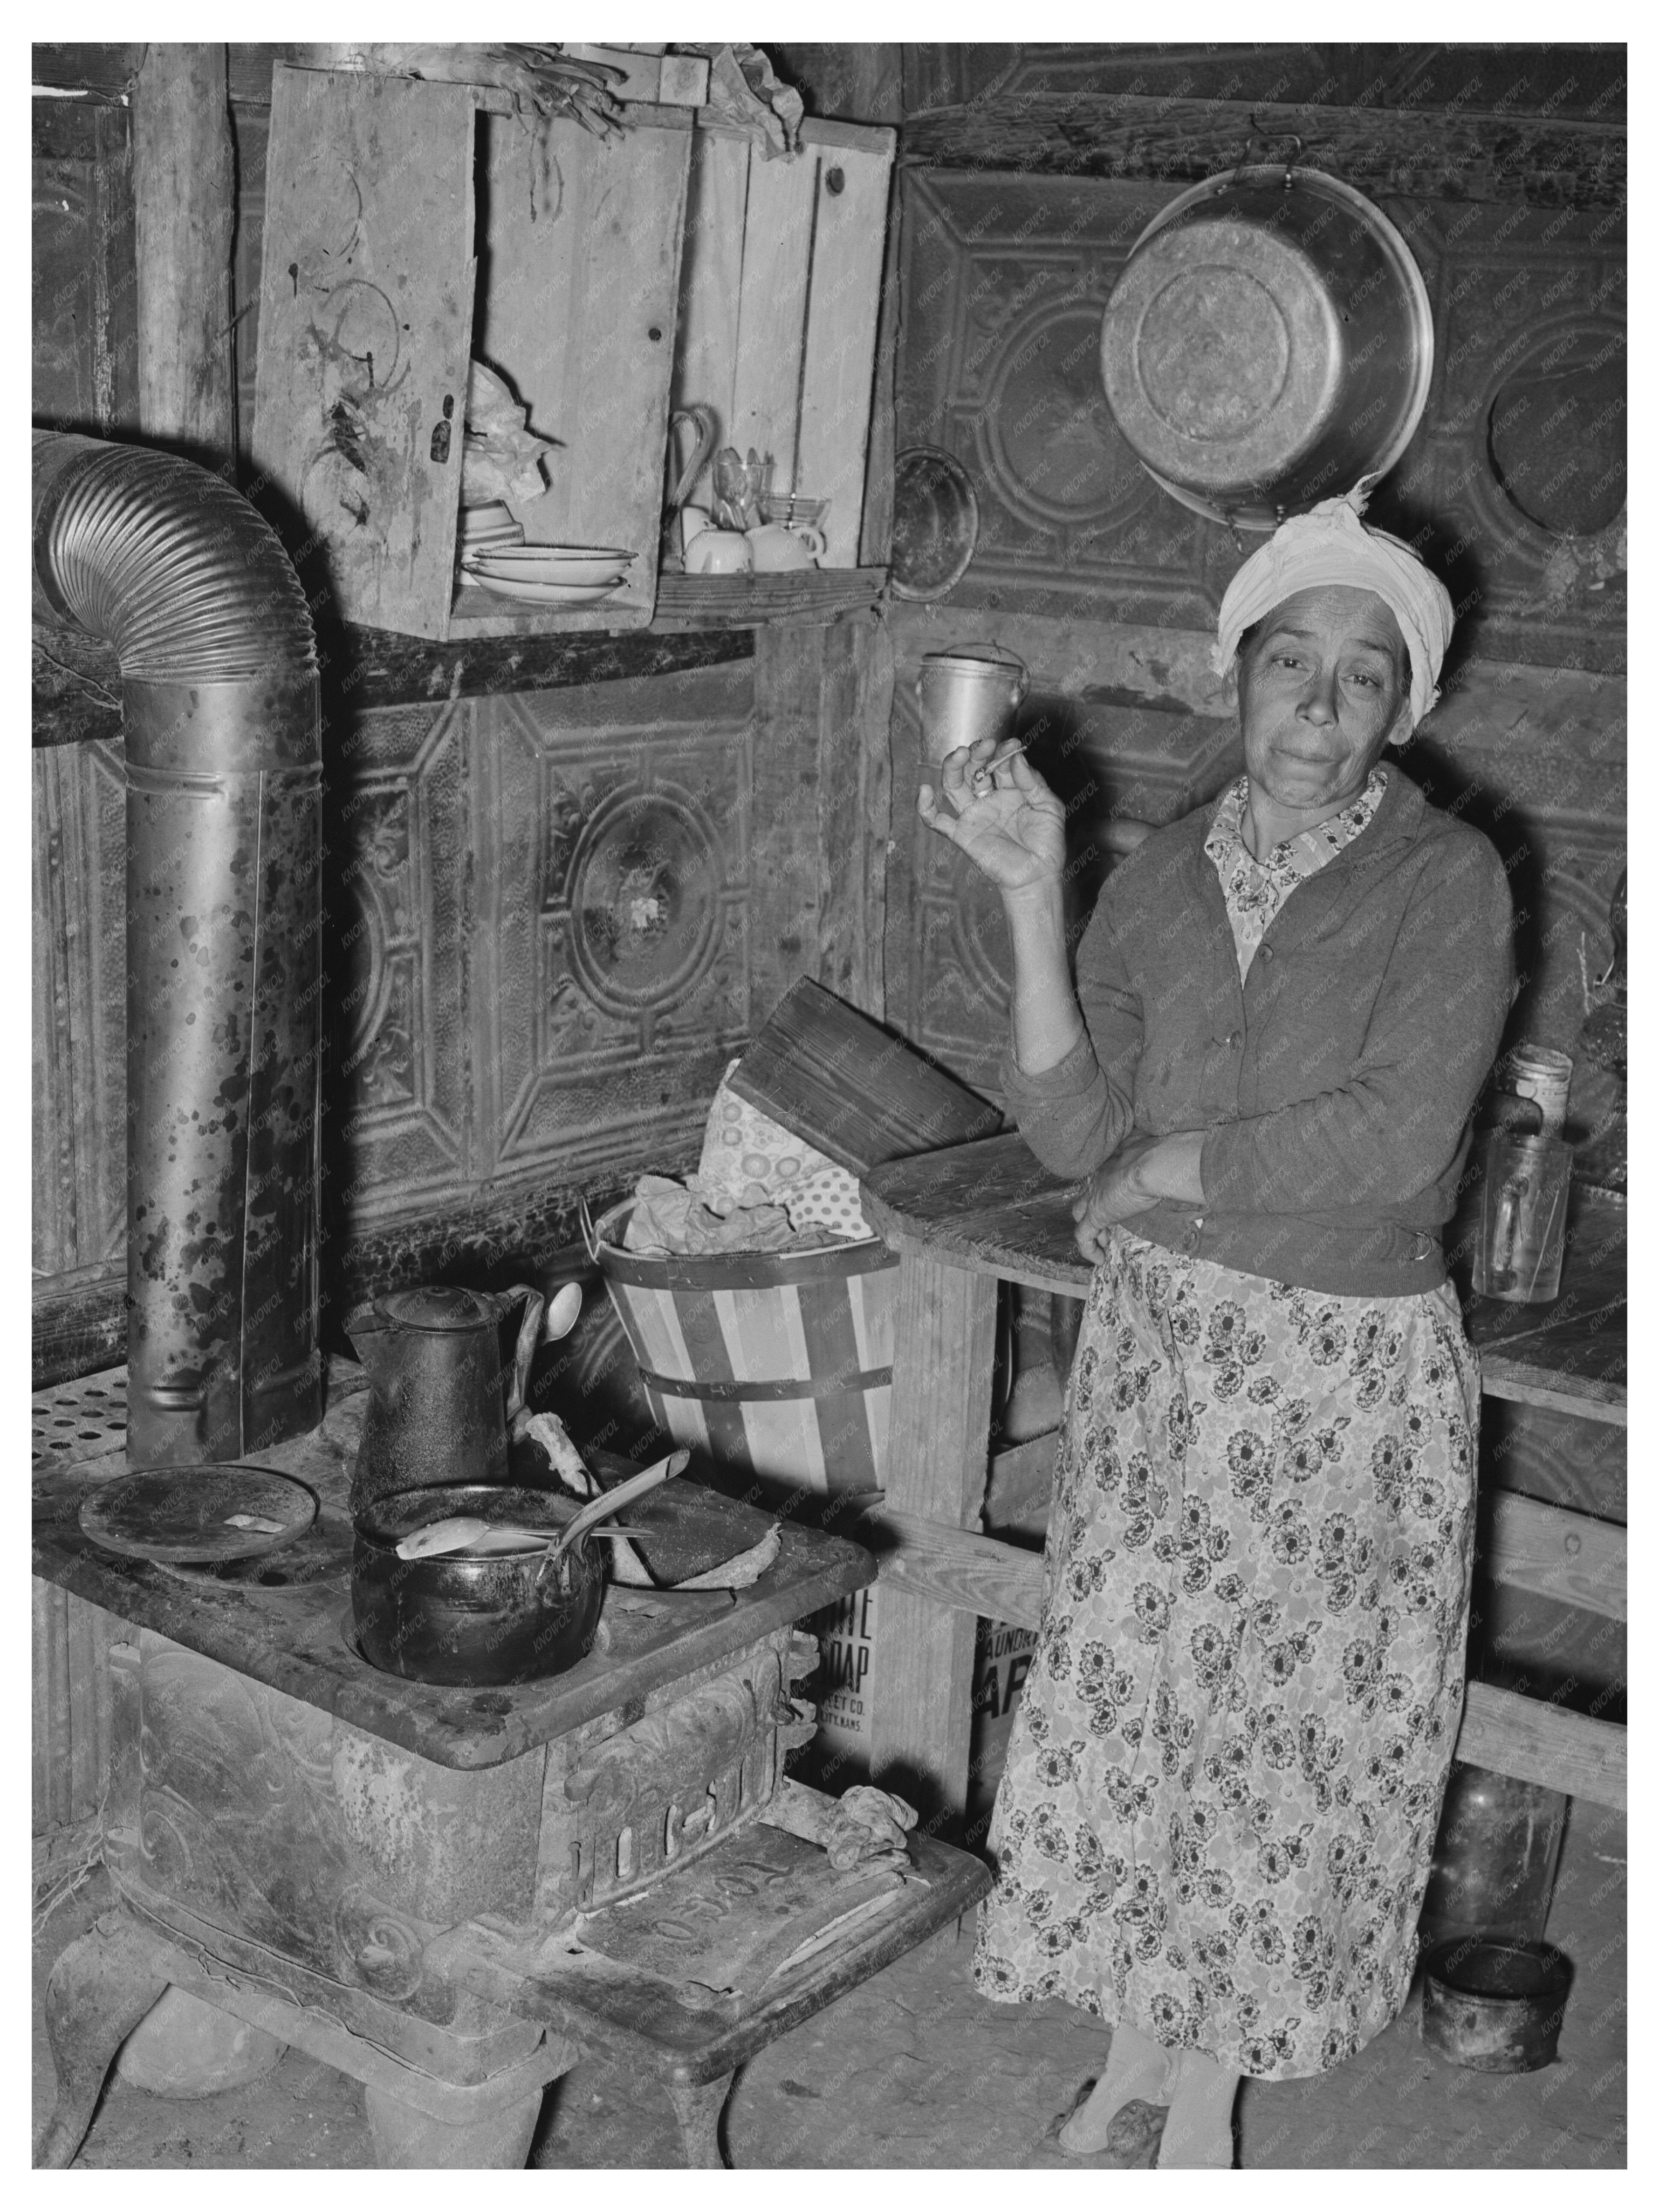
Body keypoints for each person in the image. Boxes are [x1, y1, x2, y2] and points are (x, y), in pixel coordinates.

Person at [917, 493, 1513, 2169]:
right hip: (1168, 1363)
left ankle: (1208, 2092)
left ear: (1411, 706)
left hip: (1338, 1376)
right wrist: (1037, 896)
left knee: (1282, 1738)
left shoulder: (1445, 880)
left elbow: (1395, 1141)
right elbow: (1068, 1125)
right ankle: (1130, 2043)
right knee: (1144, 1709)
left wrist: (1166, 1168)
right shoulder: (1166, 877)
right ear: (1232, 675)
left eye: (1362, 675)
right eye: (1289, 664)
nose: (1318, 709)